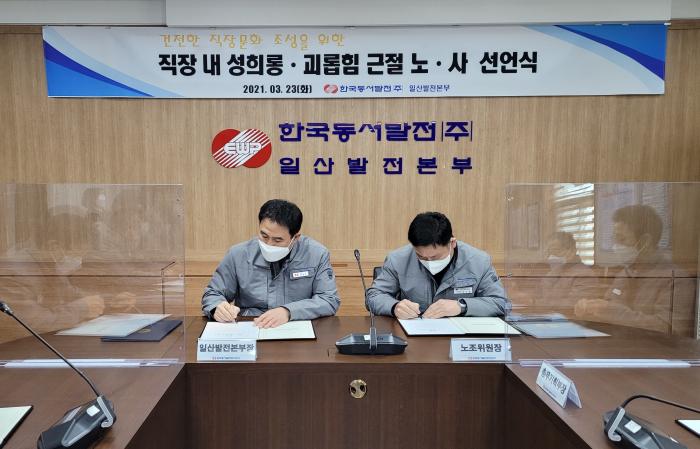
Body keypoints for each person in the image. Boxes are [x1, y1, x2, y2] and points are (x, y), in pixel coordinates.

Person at [202, 199, 340, 328]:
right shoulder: (238, 254)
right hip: (251, 325)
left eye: (278, 240)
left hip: (296, 325)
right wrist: (217, 307)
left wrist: (288, 311)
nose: (269, 244)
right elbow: (213, 293)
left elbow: (328, 300)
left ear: (296, 237)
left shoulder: (316, 254)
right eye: (264, 236)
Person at [367, 212, 509, 319]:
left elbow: (500, 303)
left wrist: (462, 306)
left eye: (435, 257)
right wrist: (394, 307)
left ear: (452, 243)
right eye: (421, 256)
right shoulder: (397, 259)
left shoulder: (478, 261)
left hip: (460, 337)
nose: (429, 261)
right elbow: (373, 296)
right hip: (413, 336)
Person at [574, 205, 671, 333]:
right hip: (616, 341)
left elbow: (666, 327)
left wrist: (612, 312)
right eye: (614, 239)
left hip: (649, 345)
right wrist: (590, 311)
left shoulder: (674, 279)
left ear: (645, 241)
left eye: (621, 239)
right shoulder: (625, 273)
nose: (616, 246)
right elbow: (610, 304)